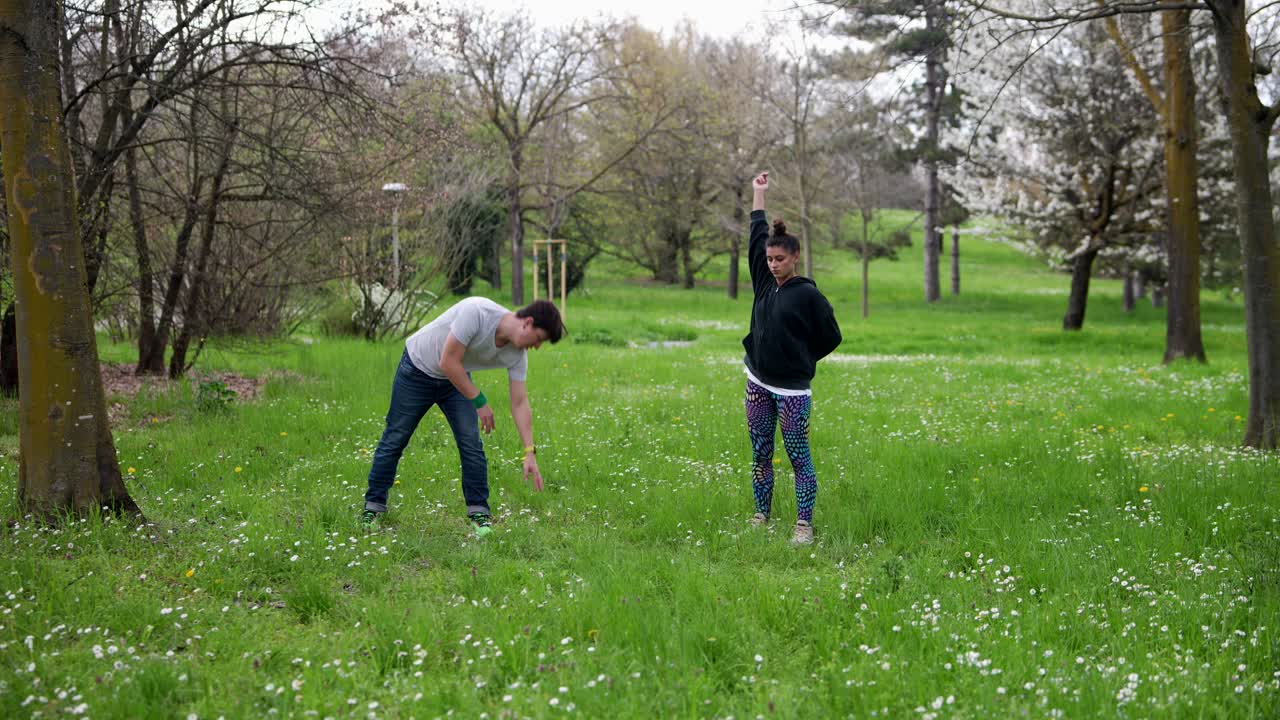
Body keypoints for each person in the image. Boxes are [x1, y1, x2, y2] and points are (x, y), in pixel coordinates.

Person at [361, 297, 566, 536]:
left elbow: (520, 403)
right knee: (396, 436)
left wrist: (529, 451)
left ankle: (479, 513)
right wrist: (479, 400)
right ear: (528, 323)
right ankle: (373, 508)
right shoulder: (477, 312)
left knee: (471, 443)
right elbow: (447, 361)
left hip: (455, 380)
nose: (537, 347)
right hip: (418, 368)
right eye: (539, 339)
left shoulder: (517, 355)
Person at [742, 171, 842, 545]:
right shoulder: (764, 281)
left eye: (780, 259)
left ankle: (804, 525)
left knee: (799, 457)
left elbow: (832, 336)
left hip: (793, 392)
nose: (772, 264)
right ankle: (761, 514)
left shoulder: (808, 296)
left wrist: (801, 358)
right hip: (757, 383)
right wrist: (758, 193)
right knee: (761, 454)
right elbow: (756, 231)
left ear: (795, 257)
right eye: (769, 258)